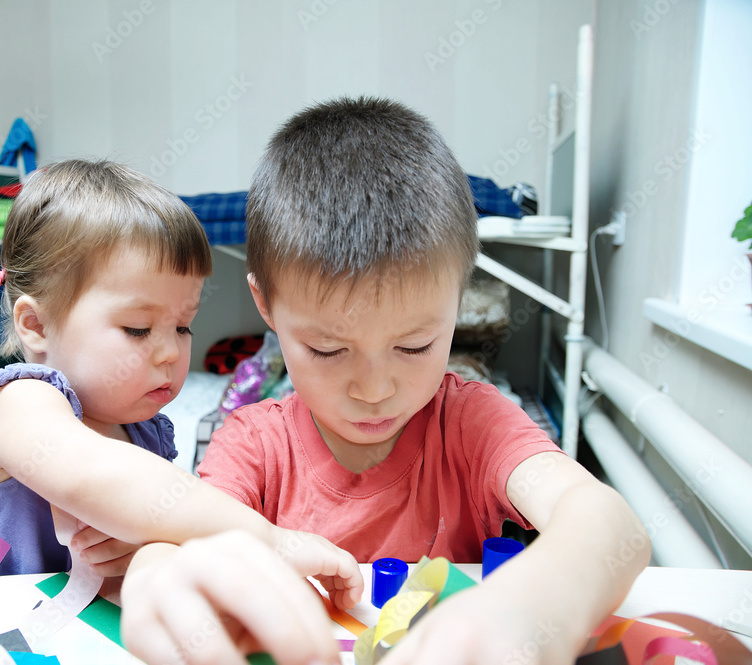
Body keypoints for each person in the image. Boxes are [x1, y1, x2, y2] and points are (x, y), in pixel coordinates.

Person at [189, 97, 649, 664]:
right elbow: (191, 543)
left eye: (414, 346)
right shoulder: (253, 444)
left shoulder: (471, 423)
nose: (374, 389)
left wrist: (533, 608)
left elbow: (607, 521)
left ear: (459, 300)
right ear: (265, 304)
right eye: (328, 349)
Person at [0, 160, 363, 654]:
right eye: (138, 328)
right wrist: (272, 540)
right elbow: (104, 479)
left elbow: (132, 569)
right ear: (37, 327)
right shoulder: (18, 403)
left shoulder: (144, 432)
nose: (171, 352)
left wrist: (144, 554)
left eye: (183, 326)